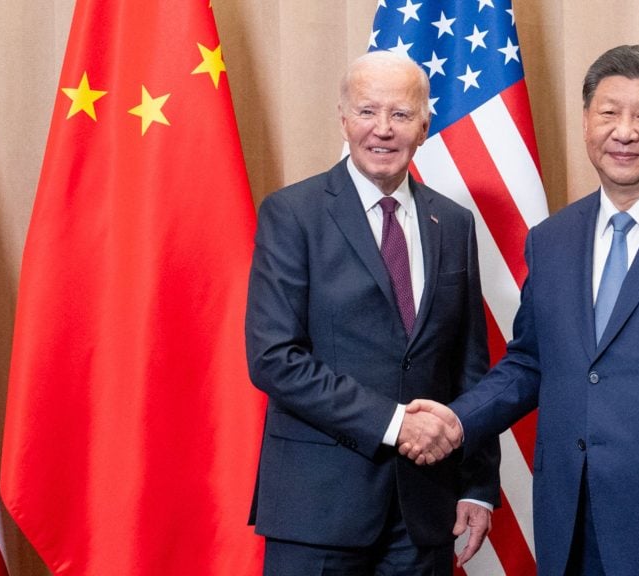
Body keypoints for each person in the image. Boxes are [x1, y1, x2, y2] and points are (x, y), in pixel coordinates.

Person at [402, 44, 639, 576]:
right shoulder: (552, 239)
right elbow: (530, 363)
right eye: (608, 113)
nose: (623, 132)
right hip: (570, 510)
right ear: (586, 123)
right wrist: (456, 419)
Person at [245, 50, 500, 575]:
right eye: (367, 112)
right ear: (343, 119)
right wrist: (394, 424)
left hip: (424, 513)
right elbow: (274, 358)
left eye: (401, 115)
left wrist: (478, 485)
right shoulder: (292, 214)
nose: (382, 129)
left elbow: (468, 366)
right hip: (318, 510)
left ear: (425, 126)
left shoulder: (452, 223)